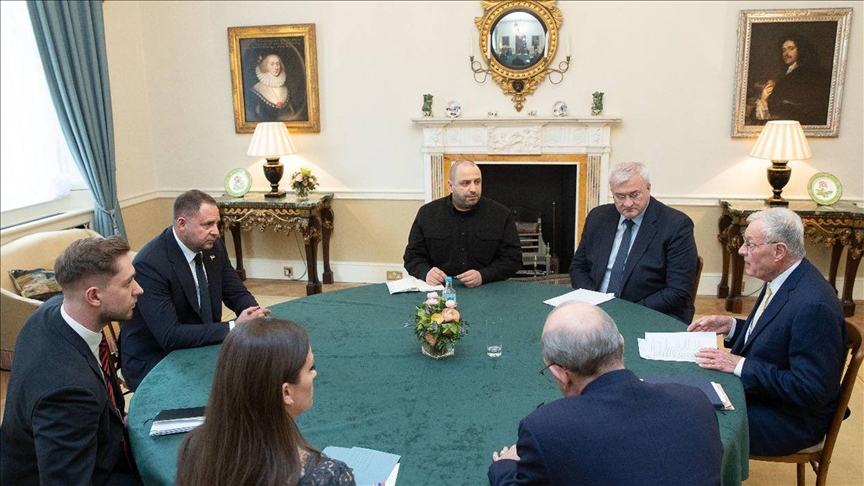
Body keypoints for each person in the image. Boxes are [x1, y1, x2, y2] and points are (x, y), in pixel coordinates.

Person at [488, 302, 723, 485]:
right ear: (621, 343)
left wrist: (504, 467)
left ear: (559, 372)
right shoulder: (695, 401)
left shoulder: (545, 430)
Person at [689, 208, 846, 456]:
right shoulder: (783, 276)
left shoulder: (814, 307)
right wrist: (731, 327)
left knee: (690, 420)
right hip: (765, 398)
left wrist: (740, 365)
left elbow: (810, 390)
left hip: (790, 419)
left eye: (750, 244)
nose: (742, 250)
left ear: (779, 251)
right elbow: (777, 336)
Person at [0, 236, 143, 485]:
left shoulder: (51, 311)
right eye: (128, 282)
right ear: (94, 296)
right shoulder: (69, 392)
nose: (139, 289)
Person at [175, 317, 355, 486]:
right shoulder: (328, 476)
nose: (314, 374)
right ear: (286, 392)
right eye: (310, 368)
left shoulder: (194, 447)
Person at [120, 189, 270, 390]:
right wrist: (234, 327)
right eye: (207, 224)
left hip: (200, 344)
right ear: (182, 224)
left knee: (259, 367)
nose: (216, 231)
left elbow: (236, 292)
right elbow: (170, 335)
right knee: (230, 384)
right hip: (156, 358)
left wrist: (254, 315)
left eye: (217, 223)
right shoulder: (150, 264)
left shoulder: (213, 247)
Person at [569, 162, 698, 323]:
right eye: (620, 196)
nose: (628, 203)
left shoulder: (676, 224)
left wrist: (626, 311)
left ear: (648, 188)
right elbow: (578, 267)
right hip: (597, 310)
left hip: (649, 313)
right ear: (612, 193)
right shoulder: (598, 217)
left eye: (634, 195)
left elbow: (678, 291)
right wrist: (593, 301)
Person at [403, 160, 522, 288]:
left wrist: (483, 276)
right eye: (465, 183)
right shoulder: (427, 213)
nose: (473, 189)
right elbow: (412, 256)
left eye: (477, 182)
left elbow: (513, 260)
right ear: (450, 186)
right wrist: (426, 273)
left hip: (487, 287)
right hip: (440, 289)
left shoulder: (501, 214)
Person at [751, 35, 832, 126]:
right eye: (784, 50)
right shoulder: (786, 74)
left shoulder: (806, 74)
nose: (786, 53)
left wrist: (766, 99)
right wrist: (764, 98)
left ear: (801, 50)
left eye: (791, 48)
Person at [249, 53, 297, 121]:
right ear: (266, 66)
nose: (276, 67)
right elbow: (256, 115)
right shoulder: (258, 88)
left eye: (277, 64)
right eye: (272, 64)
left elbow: (293, 112)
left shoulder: (285, 88)